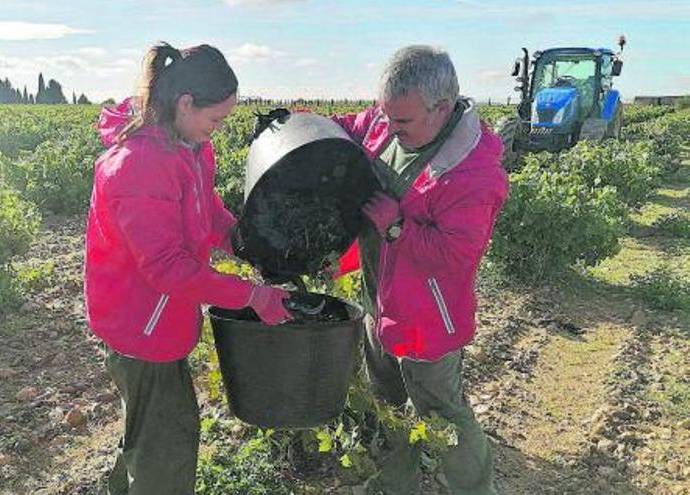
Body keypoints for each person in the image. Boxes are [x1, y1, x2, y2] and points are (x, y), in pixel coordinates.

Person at [84, 41, 292, 495]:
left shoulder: (190, 146)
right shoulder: (139, 166)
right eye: (215, 119)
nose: (217, 131)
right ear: (184, 103)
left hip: (161, 318)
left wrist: (242, 242)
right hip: (140, 326)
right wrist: (253, 296)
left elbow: (207, 209)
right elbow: (168, 269)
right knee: (168, 447)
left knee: (147, 432)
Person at [333, 45, 509, 494]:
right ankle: (394, 484)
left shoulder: (472, 174)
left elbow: (456, 257)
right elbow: (353, 127)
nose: (391, 129)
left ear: (443, 107)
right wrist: (301, 127)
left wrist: (396, 227)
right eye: (387, 117)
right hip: (380, 301)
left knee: (442, 414)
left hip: (427, 317)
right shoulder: (389, 121)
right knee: (386, 403)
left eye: (403, 122)